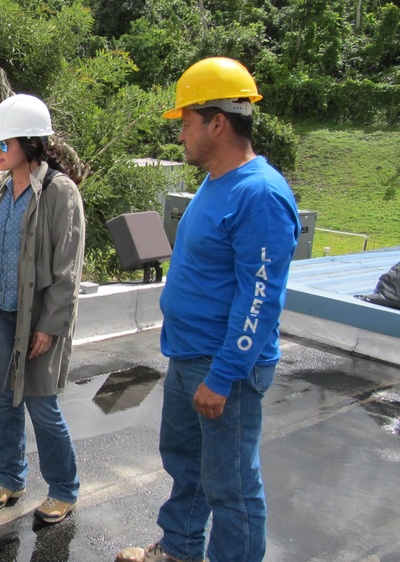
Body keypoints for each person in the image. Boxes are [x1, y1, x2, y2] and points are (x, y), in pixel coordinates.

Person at [117, 57, 300, 562]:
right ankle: (179, 548)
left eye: (186, 122)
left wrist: (223, 376)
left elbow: (260, 300)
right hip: (188, 355)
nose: (180, 134)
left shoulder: (259, 194)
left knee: (232, 488)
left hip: (223, 367)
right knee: (187, 466)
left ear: (217, 122)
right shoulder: (217, 182)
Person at [0, 94, 86, 524]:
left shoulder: (59, 192)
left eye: (3, 144)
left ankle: (64, 488)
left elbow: (68, 268)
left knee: (41, 403)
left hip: (36, 317)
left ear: (30, 144)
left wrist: (50, 325)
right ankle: (10, 477)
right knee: (4, 401)